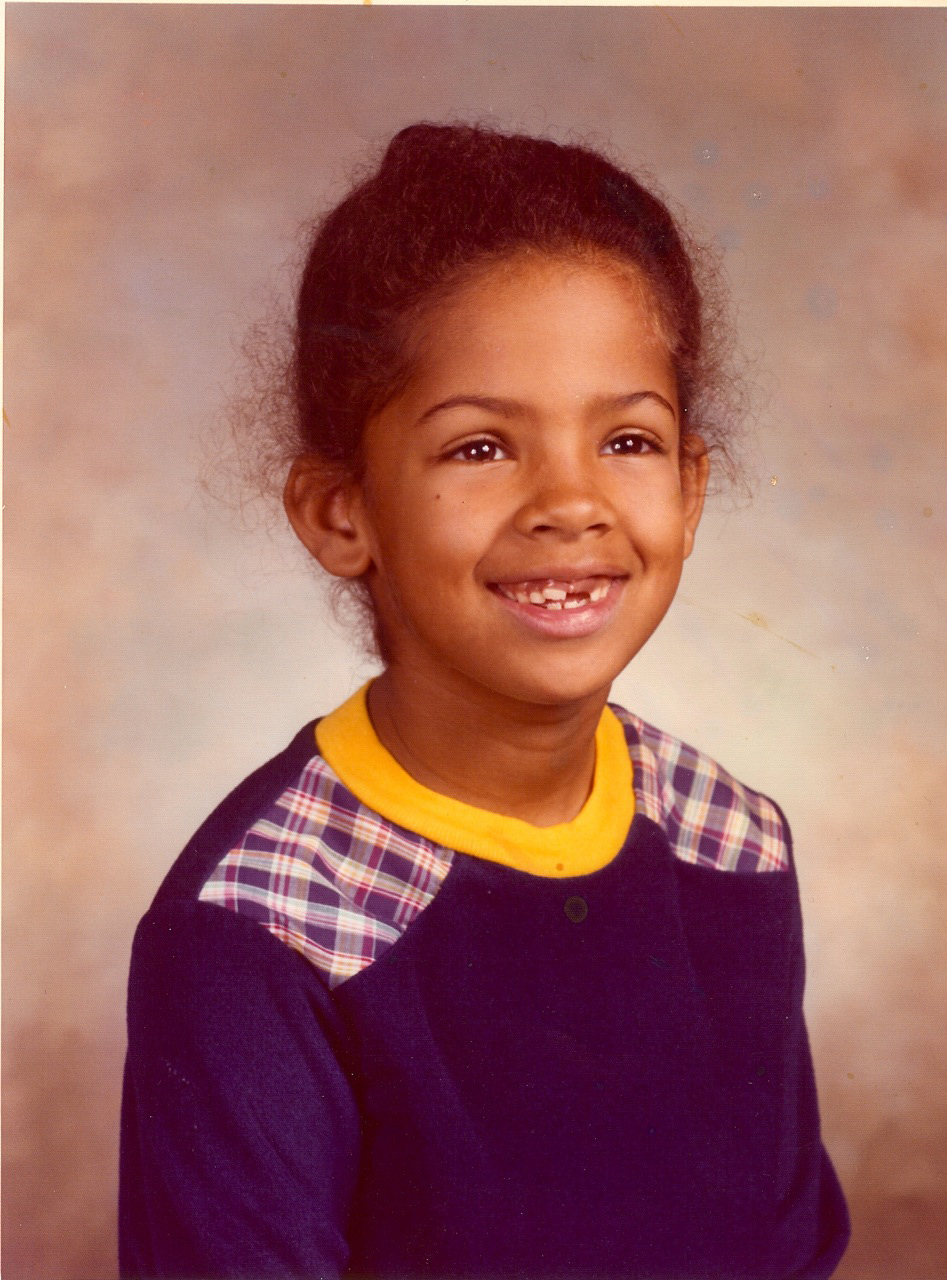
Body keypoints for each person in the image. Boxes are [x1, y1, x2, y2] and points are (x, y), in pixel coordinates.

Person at [119, 122, 850, 1279]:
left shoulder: (733, 844)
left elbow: (784, 1247)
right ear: (339, 511)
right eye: (479, 448)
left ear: (692, 486)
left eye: (626, 438)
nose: (572, 500)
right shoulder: (255, 933)